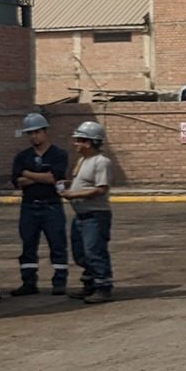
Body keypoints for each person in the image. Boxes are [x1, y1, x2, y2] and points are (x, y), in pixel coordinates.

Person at [9, 112, 70, 296]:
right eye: (30, 133)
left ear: (45, 131)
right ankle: (28, 282)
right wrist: (42, 177)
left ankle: (59, 281)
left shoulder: (59, 154)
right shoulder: (22, 156)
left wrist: (28, 174)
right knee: (28, 244)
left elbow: (55, 177)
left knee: (57, 243)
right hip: (29, 205)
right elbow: (17, 180)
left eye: (37, 132)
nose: (33, 136)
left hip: (51, 204)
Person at [61, 121, 115, 304]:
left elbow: (101, 189)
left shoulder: (101, 162)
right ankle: (89, 283)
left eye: (79, 140)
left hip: (96, 215)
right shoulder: (83, 160)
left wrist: (73, 194)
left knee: (95, 250)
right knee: (81, 252)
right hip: (81, 215)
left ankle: (103, 287)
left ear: (90, 142)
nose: (75, 144)